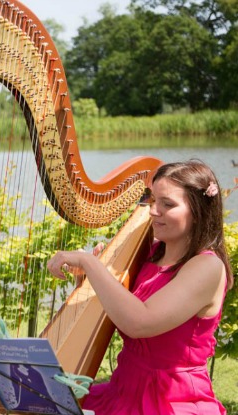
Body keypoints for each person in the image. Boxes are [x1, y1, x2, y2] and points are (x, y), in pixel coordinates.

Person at [47, 159, 233, 415]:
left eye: (168, 204)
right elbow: (118, 309)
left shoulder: (206, 268)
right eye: (153, 199)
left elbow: (139, 323)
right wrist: (88, 280)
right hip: (124, 389)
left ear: (198, 211)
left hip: (171, 399)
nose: (154, 210)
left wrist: (91, 264)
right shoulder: (150, 254)